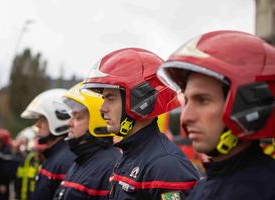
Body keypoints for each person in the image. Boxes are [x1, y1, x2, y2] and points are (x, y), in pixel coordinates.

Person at [157, 30, 275, 199]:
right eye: (188, 101)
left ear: (248, 104)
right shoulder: (202, 188)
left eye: (202, 100)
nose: (185, 117)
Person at [82, 48, 200, 200]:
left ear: (142, 100)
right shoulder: (131, 155)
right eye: (103, 99)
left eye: (110, 99)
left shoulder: (166, 167)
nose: (102, 108)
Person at [53, 82, 121, 200]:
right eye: (71, 116)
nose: (69, 123)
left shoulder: (110, 167)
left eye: (77, 117)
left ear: (98, 121)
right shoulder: (82, 159)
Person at [21, 89, 75, 200]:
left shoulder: (65, 161)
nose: (37, 125)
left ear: (59, 119)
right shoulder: (54, 155)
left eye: (42, 118)